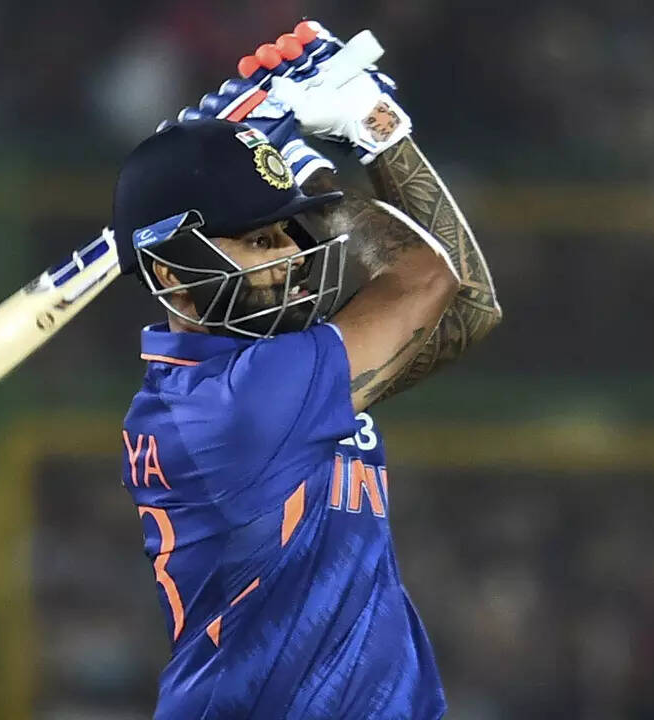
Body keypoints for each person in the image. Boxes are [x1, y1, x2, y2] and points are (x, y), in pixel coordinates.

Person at [108, 21, 502, 719]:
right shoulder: (233, 406)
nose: (293, 255)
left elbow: (466, 311)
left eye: (291, 230)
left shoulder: (266, 372)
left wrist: (297, 151)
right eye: (262, 239)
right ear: (172, 273)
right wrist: (350, 135)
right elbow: (425, 281)